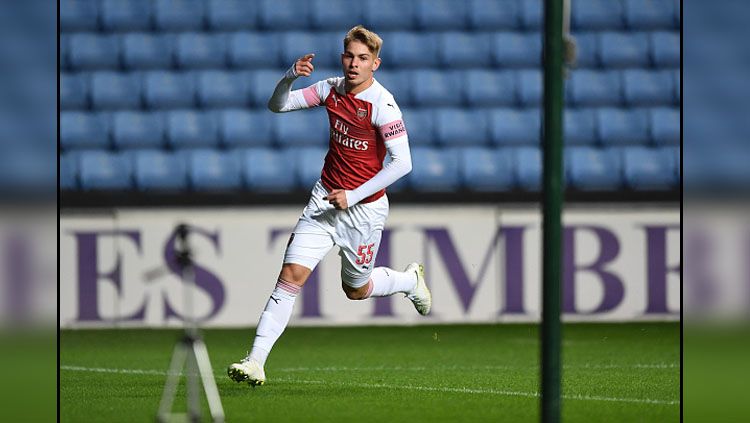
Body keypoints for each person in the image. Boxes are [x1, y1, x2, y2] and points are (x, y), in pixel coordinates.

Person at [228, 25, 432, 387]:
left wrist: (352, 196)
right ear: (343, 58)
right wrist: (289, 77)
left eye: (363, 59)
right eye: (350, 56)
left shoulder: (382, 105)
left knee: (356, 290)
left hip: (364, 210)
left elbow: (403, 164)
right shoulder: (330, 89)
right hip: (324, 201)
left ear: (375, 64)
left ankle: (407, 280)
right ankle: (255, 361)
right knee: (290, 277)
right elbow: (278, 105)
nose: (354, 64)